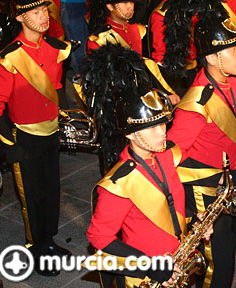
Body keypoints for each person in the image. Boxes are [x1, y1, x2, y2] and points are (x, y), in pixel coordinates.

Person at [83, 44, 207, 288]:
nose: (162, 133)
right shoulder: (118, 184)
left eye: (163, 124)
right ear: (129, 134)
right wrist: (149, 265)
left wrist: (194, 220)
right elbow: (98, 237)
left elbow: (168, 203)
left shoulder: (165, 155)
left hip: (175, 261)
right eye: (151, 127)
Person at [0, 0, 72, 276]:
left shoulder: (55, 49)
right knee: (32, 196)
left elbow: (57, 88)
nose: (43, 16)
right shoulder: (9, 58)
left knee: (52, 190)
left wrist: (64, 119)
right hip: (24, 137)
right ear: (19, 17)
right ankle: (35, 246)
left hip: (50, 133)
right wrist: (9, 146)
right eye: (35, 12)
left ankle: (49, 239)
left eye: (44, 10)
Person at [168, 9, 236, 288]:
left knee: (227, 253)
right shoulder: (196, 103)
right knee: (217, 264)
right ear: (213, 58)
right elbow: (169, 161)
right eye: (233, 49)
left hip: (229, 182)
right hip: (206, 193)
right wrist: (221, 178)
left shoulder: (235, 81)